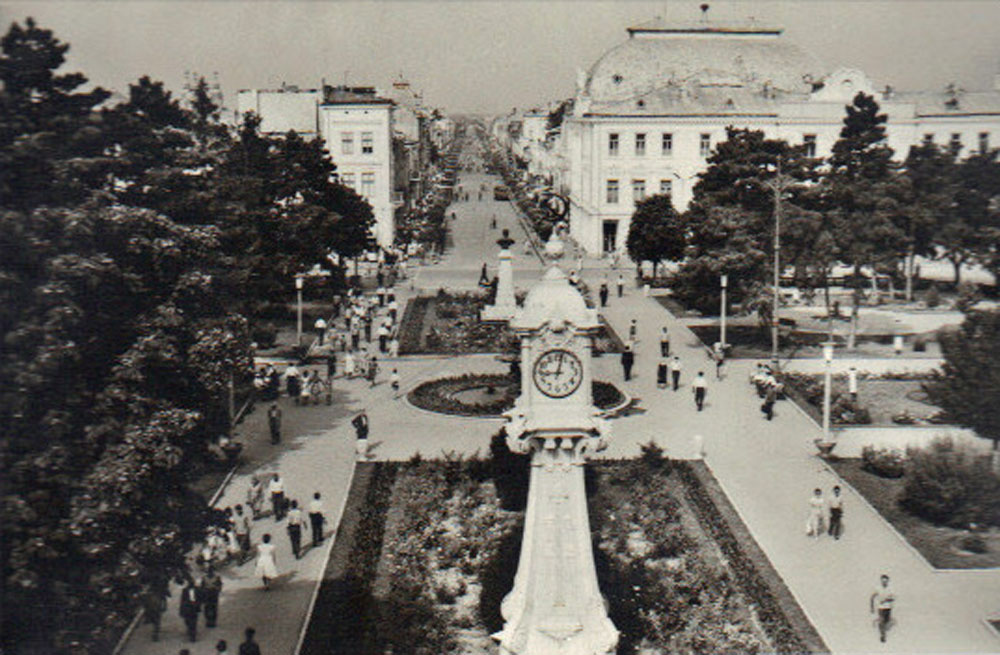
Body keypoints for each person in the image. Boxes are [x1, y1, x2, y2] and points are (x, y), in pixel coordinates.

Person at [870, 574, 895, 643]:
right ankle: (882, 635)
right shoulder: (877, 588)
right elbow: (872, 597)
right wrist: (871, 607)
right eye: (883, 581)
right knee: (881, 620)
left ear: (888, 581)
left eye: (885, 581)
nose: (884, 582)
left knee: (886, 621)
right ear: (881, 581)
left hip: (888, 607)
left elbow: (893, 598)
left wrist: (886, 600)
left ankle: (883, 627)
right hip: (880, 607)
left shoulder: (890, 589)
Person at [179, 577, 201, 642]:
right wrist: (182, 609)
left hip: (194, 607)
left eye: (192, 583)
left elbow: (199, 598)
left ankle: (193, 636)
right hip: (187, 607)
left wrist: (198, 605)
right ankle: (190, 630)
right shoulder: (185, 590)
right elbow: (182, 600)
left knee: (194, 622)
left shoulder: (197, 589)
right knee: (187, 621)